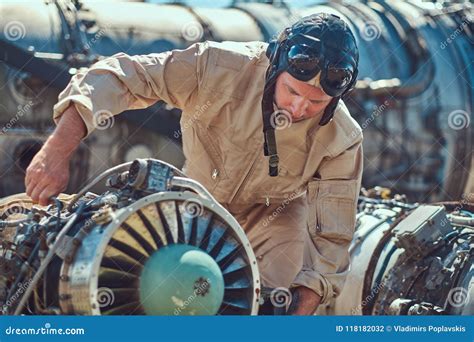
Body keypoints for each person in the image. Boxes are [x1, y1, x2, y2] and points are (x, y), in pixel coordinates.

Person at [25, 13, 363, 315]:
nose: (300, 107)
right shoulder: (217, 67)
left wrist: (298, 313)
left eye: (316, 102)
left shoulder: (343, 139)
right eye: (292, 91)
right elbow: (122, 76)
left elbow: (330, 239)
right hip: (196, 202)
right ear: (275, 67)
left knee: (274, 304)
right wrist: (54, 151)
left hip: (274, 218)